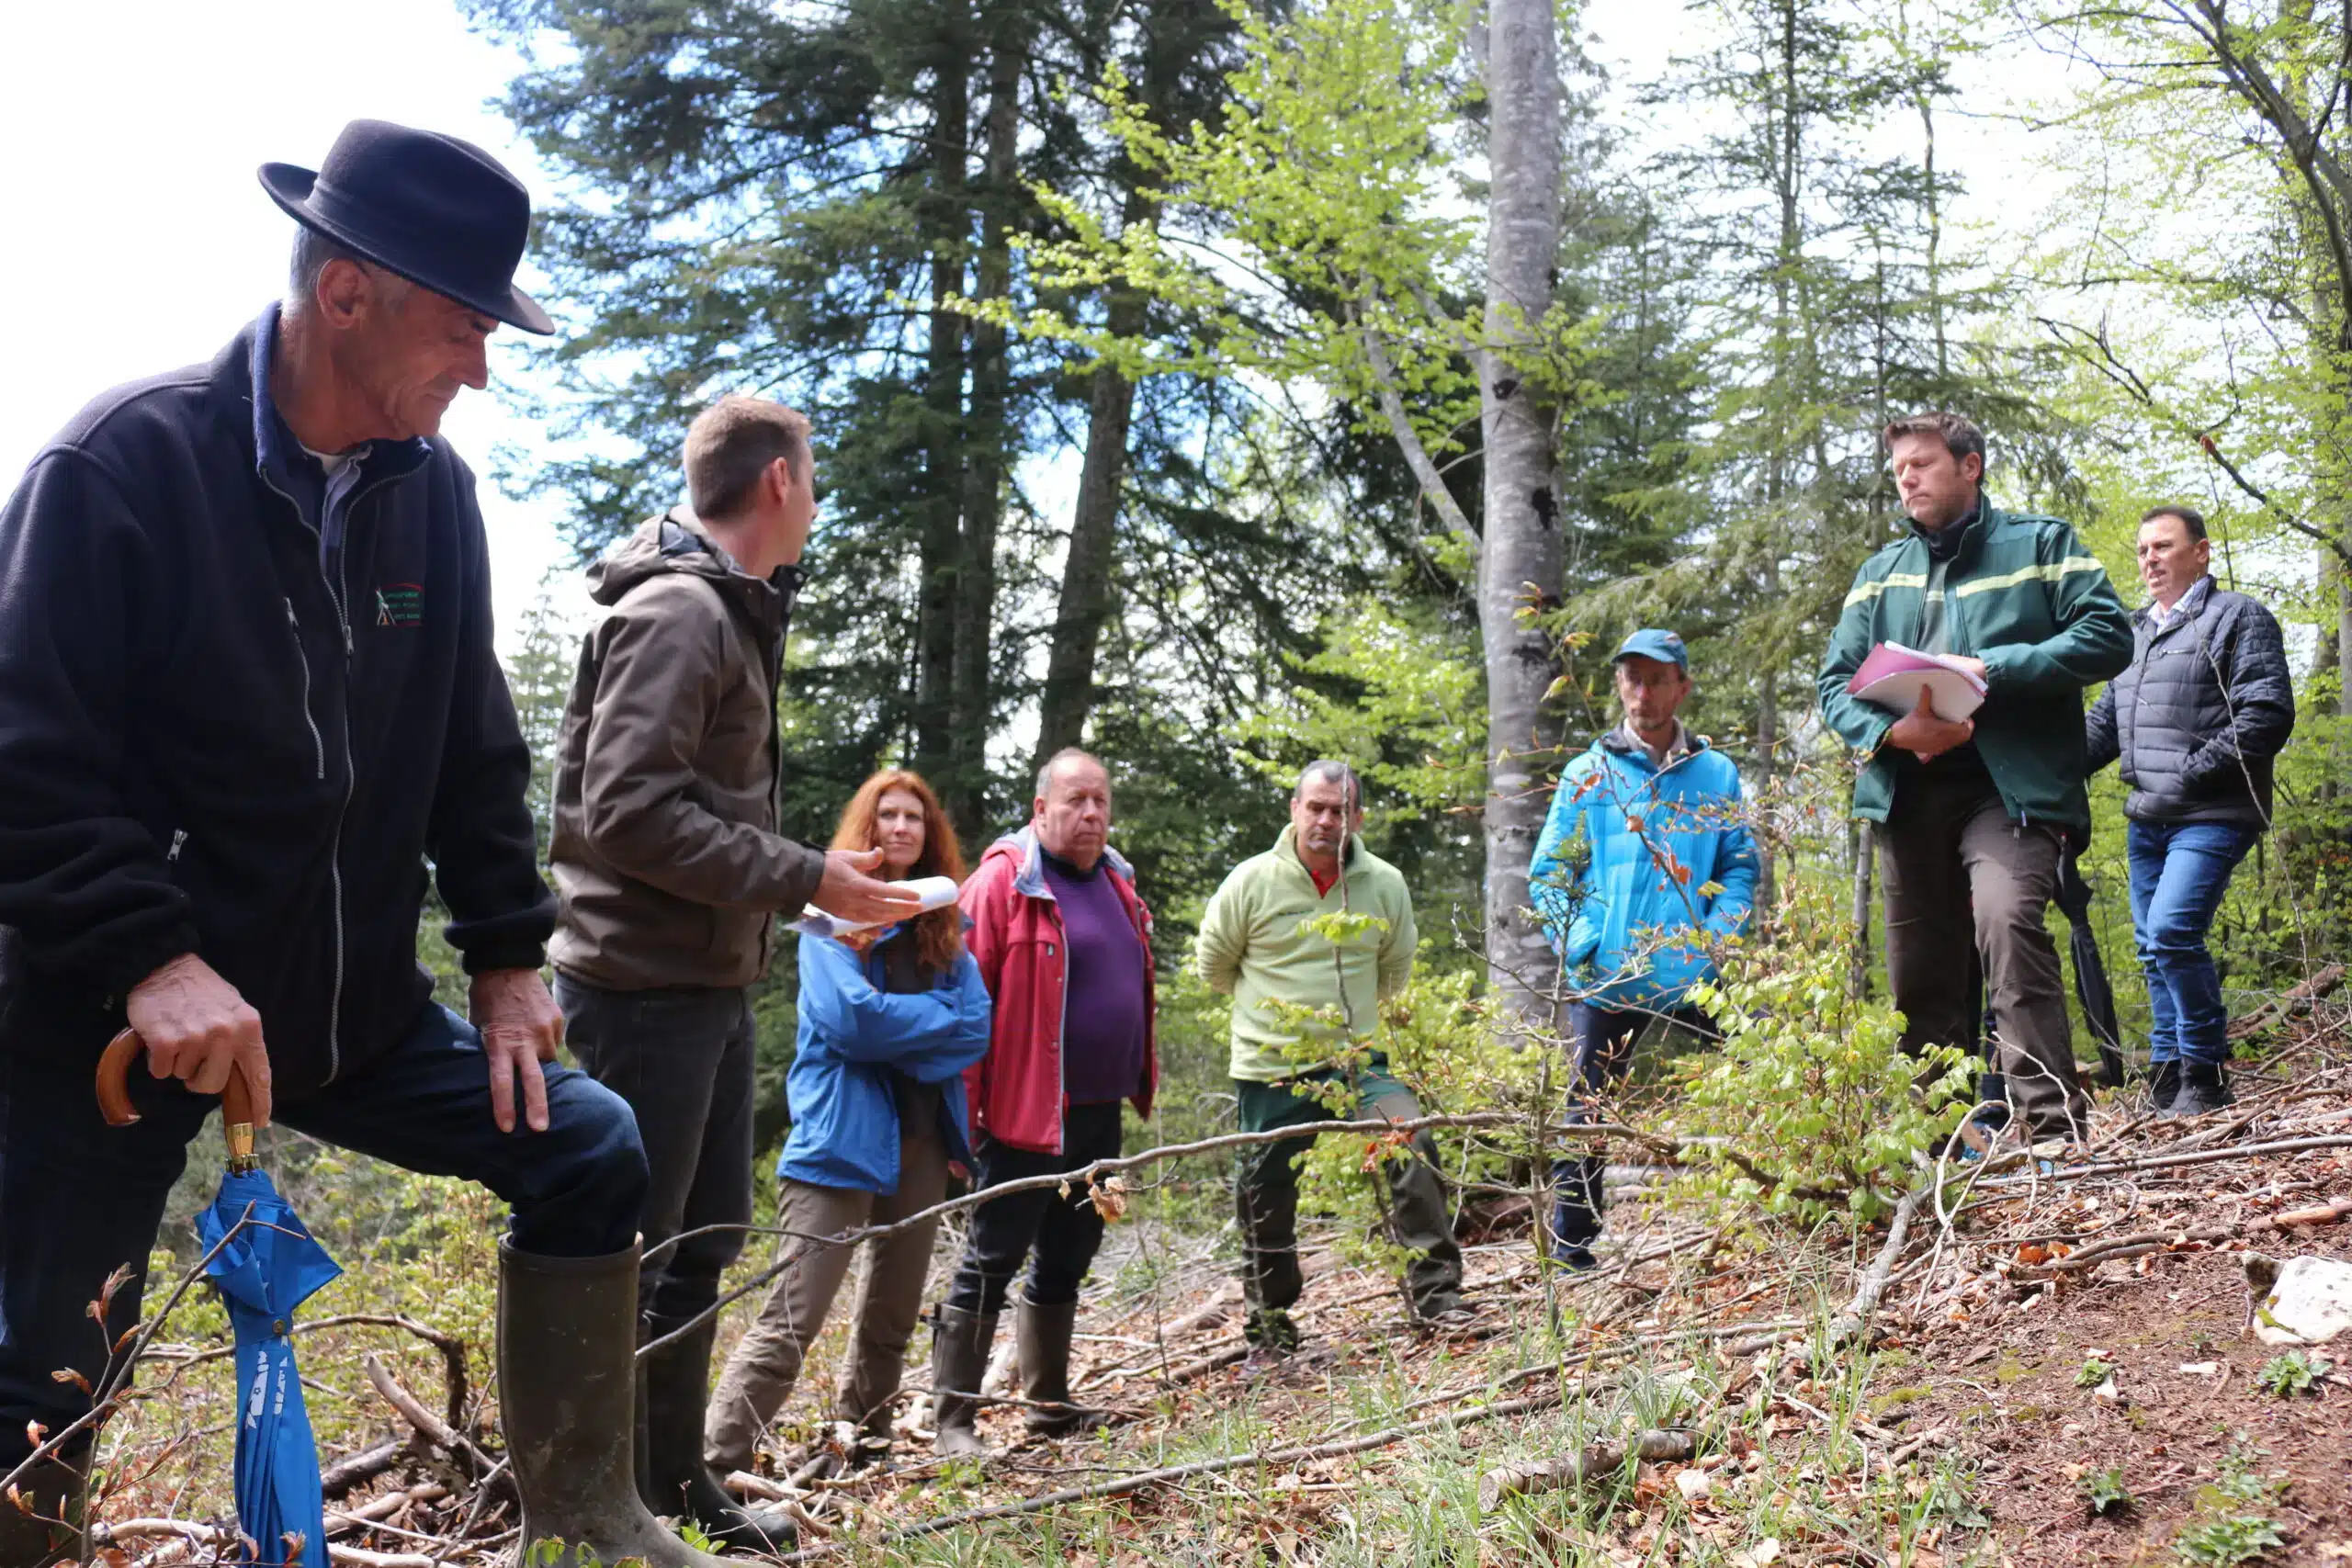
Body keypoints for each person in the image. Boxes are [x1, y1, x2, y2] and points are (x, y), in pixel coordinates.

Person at [0, 121, 730, 1568]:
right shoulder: (121, 466)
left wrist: (513, 958)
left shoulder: (431, 496)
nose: (480, 367)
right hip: (104, 1017)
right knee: (44, 1377)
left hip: (344, 1014)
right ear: (347, 293)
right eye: (462, 326)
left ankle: (584, 1521)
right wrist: (149, 951)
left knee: (586, 1146)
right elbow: (23, 763)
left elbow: (474, 750)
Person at [546, 397, 922, 1544]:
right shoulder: (678, 616)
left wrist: (804, 878)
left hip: (702, 992)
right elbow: (628, 812)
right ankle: (589, 1513)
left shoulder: (729, 610)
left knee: (699, 1249)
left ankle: (669, 1493)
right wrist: (811, 877)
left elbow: (687, 809)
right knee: (623, 1261)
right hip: (632, 998)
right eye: (811, 480)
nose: (814, 502)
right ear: (776, 484)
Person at [1818, 412, 2133, 1149]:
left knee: (2006, 920)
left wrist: (1994, 669)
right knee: (1919, 981)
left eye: (1923, 464)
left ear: (1971, 466)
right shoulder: (1878, 575)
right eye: (1900, 470)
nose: (1908, 479)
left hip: (2011, 786)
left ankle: (2052, 1134)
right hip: (1910, 789)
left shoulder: (2041, 543)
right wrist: (1894, 731)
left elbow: (2108, 633)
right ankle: (1936, 1150)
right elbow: (1835, 683)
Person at [701, 770, 989, 1476]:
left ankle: (861, 1447)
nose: (900, 827)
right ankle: (706, 1466)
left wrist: (917, 1027)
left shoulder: (943, 930)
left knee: (891, 1318)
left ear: (928, 836)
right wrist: (934, 1023)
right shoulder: (825, 923)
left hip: (922, 1144)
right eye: (886, 814)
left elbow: (977, 1026)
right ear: (865, 829)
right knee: (791, 1320)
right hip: (838, 1142)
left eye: (913, 817)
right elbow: (850, 1021)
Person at [1193, 761, 1467, 1364]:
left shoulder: (1384, 884)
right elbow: (1213, 966)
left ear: (1357, 819)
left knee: (1412, 1140)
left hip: (1357, 1064)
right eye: (1314, 806)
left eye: (1338, 810)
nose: (1325, 820)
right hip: (1270, 1066)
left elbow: (1394, 969)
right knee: (1263, 1193)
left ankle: (1439, 1297)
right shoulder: (1250, 882)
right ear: (1293, 808)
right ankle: (1270, 1324)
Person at [928, 750, 1158, 1457]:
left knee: (1071, 1250)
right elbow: (960, 1014)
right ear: (1040, 809)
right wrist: (961, 1127)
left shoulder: (1117, 879)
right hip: (1025, 1113)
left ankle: (1048, 1404)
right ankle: (952, 1421)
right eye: (1075, 800)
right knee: (991, 1256)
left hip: (1099, 1109)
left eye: (1101, 800)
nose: (1091, 813)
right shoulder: (1001, 884)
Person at [1528, 630, 1758, 1267]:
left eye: (1658, 678)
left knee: (1764, 1056)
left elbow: (1740, 867)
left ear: (1682, 686)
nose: (1644, 690)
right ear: (1617, 684)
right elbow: (1549, 875)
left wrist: (1716, 935)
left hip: (1692, 970)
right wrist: (1581, 945)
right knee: (1589, 1103)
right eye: (1632, 676)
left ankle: (1795, 1195)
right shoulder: (1588, 772)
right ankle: (1572, 1249)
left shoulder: (1716, 773)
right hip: (1609, 971)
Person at [2085, 506, 2294, 1117]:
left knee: (2174, 930)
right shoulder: (2134, 633)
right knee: (2153, 945)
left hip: (2215, 810)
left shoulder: (2238, 617)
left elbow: (2266, 714)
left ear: (2201, 553)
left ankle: (2206, 1070)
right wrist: (2038, 769)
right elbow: (2102, 727)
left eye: (2164, 546)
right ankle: (2168, 1068)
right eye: (2143, 548)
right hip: (2147, 817)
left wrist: (2190, 771)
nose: (2150, 558)